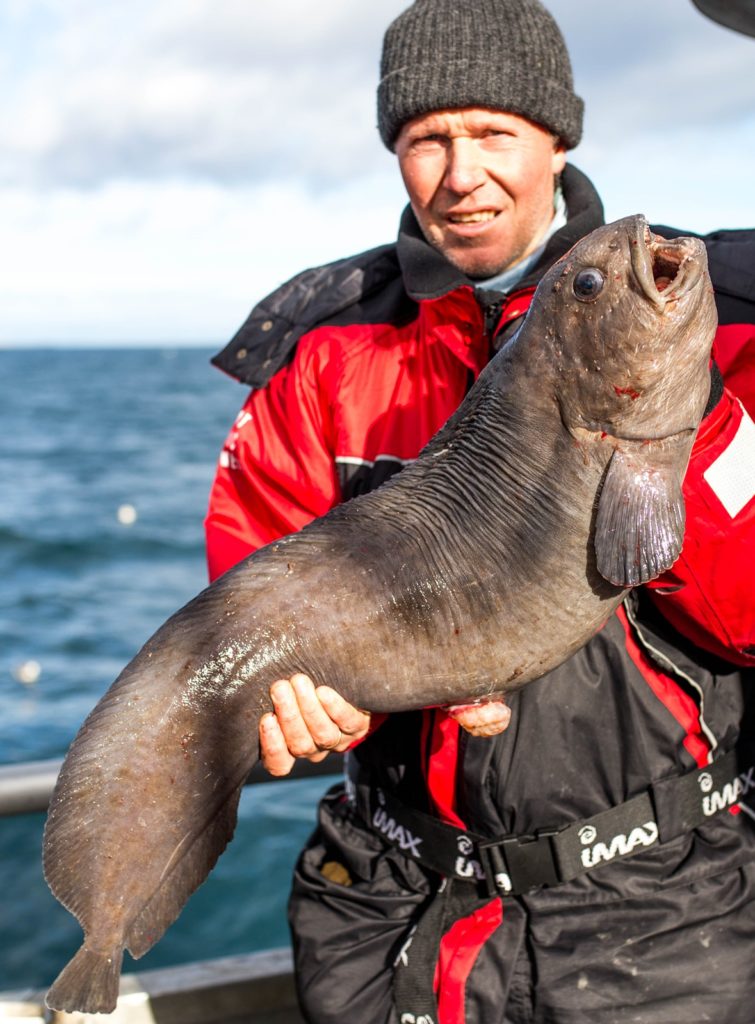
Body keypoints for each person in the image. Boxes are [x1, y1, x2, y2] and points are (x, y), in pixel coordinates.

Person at [205, 2, 755, 1021]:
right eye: (426, 139)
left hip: (664, 920)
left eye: (494, 132)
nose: (460, 174)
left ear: (556, 139)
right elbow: (250, 607)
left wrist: (672, 428)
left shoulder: (706, 316)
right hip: (389, 906)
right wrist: (301, 702)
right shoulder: (325, 354)